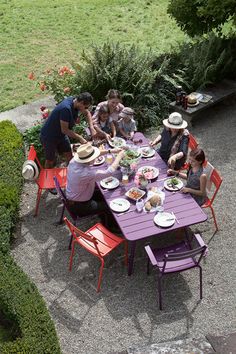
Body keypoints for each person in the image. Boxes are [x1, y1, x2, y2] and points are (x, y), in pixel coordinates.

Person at [66, 143, 125, 219]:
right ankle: (111, 225)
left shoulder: (74, 161)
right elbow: (109, 172)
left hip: (76, 196)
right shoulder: (85, 174)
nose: (96, 158)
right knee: (111, 206)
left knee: (108, 194)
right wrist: (119, 157)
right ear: (89, 160)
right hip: (80, 205)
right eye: (94, 158)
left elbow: (94, 154)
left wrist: (111, 151)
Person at [40, 92, 96, 169]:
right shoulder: (66, 109)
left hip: (61, 135)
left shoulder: (75, 101)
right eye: (85, 107)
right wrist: (80, 138)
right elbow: (65, 130)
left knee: (69, 155)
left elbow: (87, 113)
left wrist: (92, 128)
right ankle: (47, 177)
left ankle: (71, 173)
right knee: (50, 160)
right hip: (49, 136)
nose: (86, 109)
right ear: (81, 103)